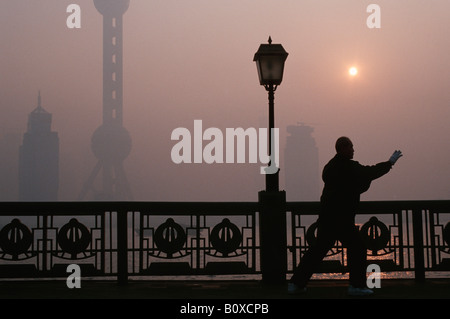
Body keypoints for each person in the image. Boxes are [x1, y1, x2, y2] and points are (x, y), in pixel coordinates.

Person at [288, 136, 402, 296]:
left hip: (327, 217)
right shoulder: (349, 167)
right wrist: (389, 163)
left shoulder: (330, 167)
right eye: (350, 147)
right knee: (358, 248)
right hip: (342, 218)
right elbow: (369, 172)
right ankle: (356, 286)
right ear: (342, 149)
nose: (353, 150)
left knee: (316, 252)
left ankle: (296, 283)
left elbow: (358, 179)